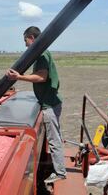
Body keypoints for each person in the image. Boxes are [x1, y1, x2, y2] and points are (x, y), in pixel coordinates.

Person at [6, 26, 66, 184]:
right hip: (51, 101)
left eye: (25, 41)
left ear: (31, 37)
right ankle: (59, 167)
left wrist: (19, 77)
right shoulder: (43, 53)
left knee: (54, 139)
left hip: (50, 104)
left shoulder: (42, 55)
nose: (25, 45)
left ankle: (60, 173)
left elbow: (41, 77)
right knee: (55, 137)